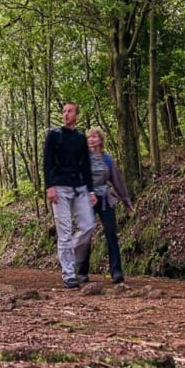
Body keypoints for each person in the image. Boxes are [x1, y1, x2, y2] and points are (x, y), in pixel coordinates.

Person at [43, 102, 96, 289]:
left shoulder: (81, 138)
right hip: (59, 189)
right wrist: (49, 186)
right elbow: (47, 161)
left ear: (76, 115)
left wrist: (90, 190)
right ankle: (69, 274)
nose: (66, 114)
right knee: (64, 231)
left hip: (79, 187)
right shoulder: (54, 135)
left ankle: (69, 252)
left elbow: (86, 166)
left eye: (70, 111)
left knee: (88, 225)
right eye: (64, 111)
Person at [76, 126, 133, 284]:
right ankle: (82, 271)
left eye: (94, 137)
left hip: (105, 198)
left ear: (100, 139)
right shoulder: (83, 158)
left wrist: (126, 201)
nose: (91, 140)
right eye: (89, 138)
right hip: (87, 198)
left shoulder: (107, 159)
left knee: (111, 232)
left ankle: (116, 271)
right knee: (87, 233)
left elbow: (117, 180)